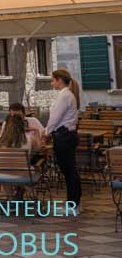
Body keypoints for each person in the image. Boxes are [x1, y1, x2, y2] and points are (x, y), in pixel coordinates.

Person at [48, 68, 81, 207]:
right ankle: (74, 202)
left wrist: (45, 132)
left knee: (68, 170)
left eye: (53, 80)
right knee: (69, 170)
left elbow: (55, 118)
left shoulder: (64, 96)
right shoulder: (67, 95)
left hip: (63, 136)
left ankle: (72, 203)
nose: (51, 83)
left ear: (59, 80)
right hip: (67, 135)